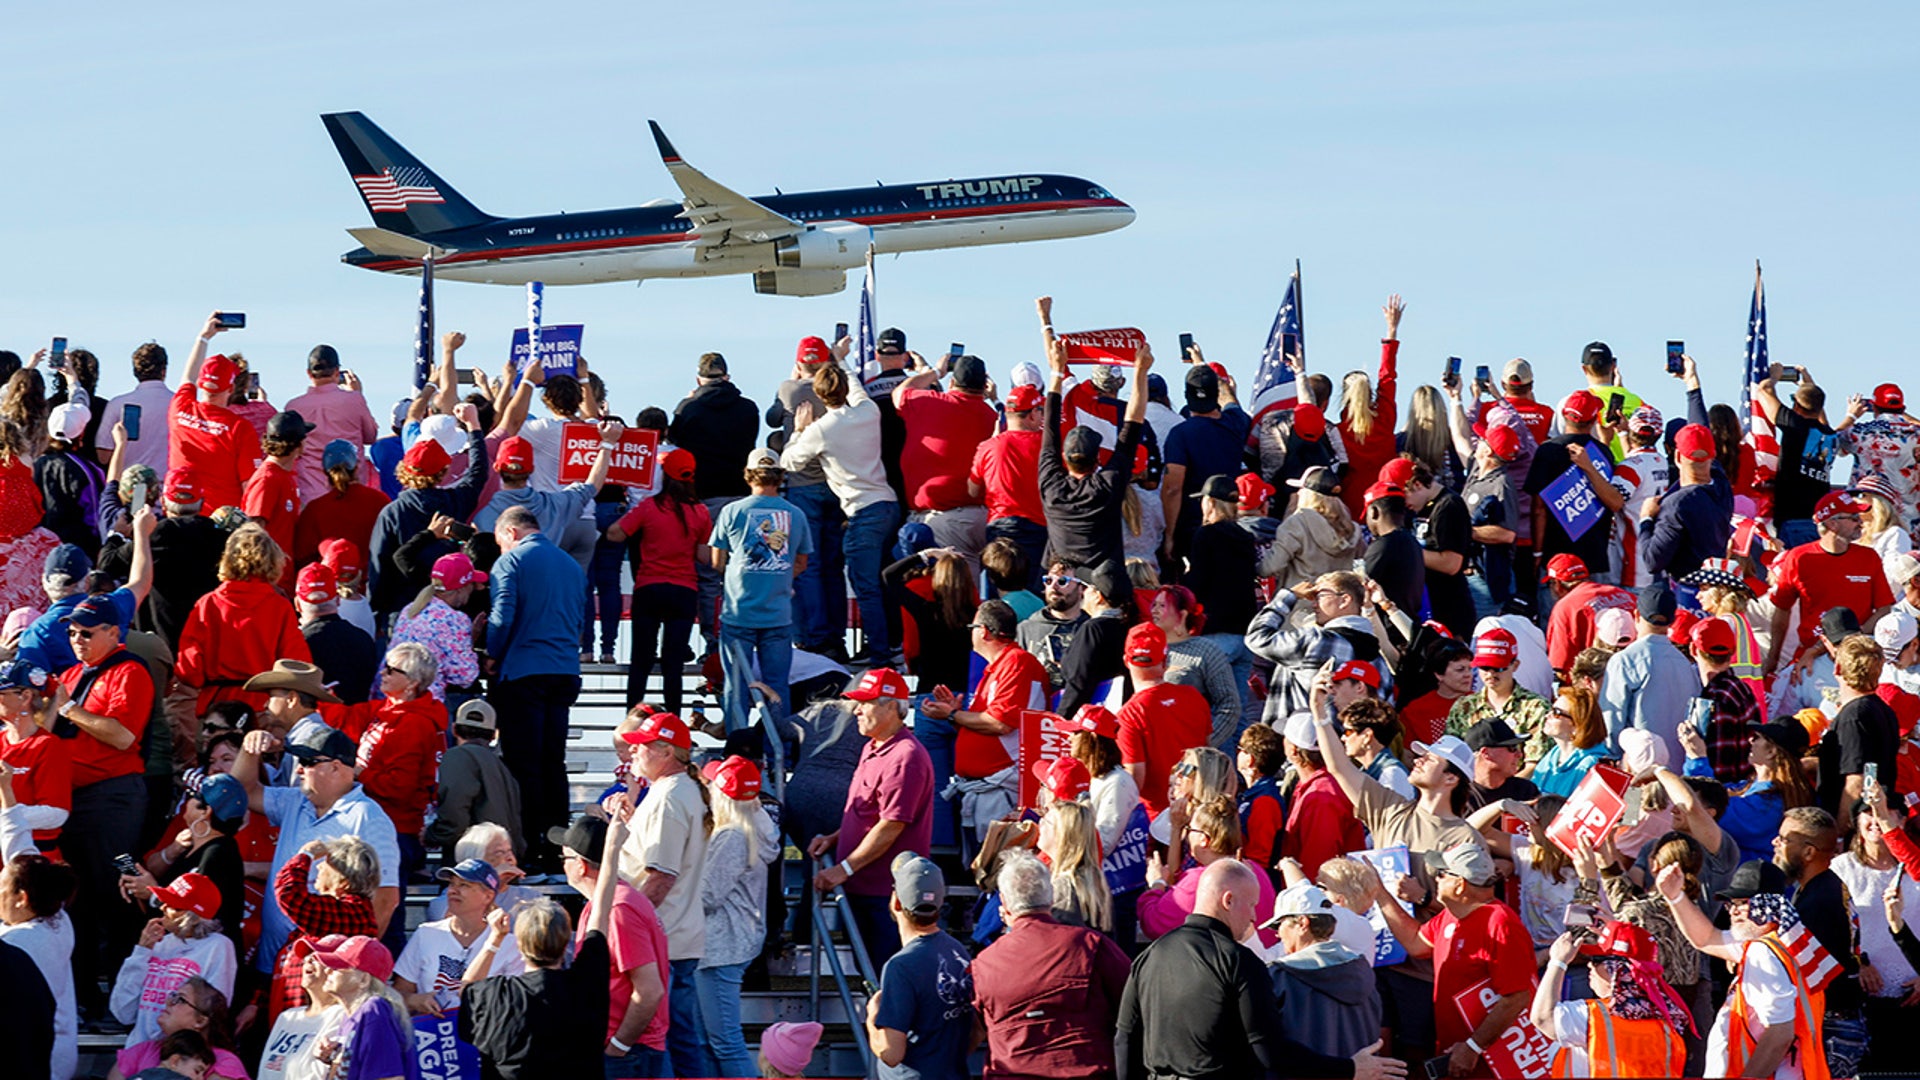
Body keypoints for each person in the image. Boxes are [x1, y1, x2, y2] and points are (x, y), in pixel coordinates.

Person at [1117, 858, 1403, 1080]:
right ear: (1228, 900)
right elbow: (1270, 1051)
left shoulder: (1148, 957)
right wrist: (1349, 1068)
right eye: (1252, 905)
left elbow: (1125, 1038)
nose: (1255, 915)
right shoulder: (1239, 961)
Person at [46, 591, 159, 1023]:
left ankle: (125, 996)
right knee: (78, 900)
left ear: (114, 632)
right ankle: (88, 998)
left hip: (113, 797)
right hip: (73, 798)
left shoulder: (129, 671)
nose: (77, 639)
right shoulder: (74, 673)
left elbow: (122, 736)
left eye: (87, 632)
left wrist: (69, 709)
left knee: (117, 892)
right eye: (72, 632)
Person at [460, 812, 629, 1080]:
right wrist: (612, 849)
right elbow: (600, 912)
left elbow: (466, 989)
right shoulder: (584, 985)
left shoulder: (497, 995)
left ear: (521, 943)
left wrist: (494, 940)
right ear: (565, 944)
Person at [233, 725, 401, 992]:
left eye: (308, 762)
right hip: (275, 963)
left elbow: (386, 898)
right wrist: (248, 750)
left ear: (336, 767)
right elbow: (241, 792)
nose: (299, 769)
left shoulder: (368, 817)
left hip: (325, 973)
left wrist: (354, 967)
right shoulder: (295, 801)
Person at [807, 667, 936, 968]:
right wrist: (835, 838)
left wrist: (844, 869)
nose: (856, 711)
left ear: (892, 706)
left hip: (884, 894)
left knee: (885, 977)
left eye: (865, 703)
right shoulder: (874, 747)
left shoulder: (905, 756)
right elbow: (870, 814)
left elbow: (892, 824)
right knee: (873, 976)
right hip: (865, 887)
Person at [1656, 858, 1831, 1079]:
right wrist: (1676, 897)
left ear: (1768, 905)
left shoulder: (1763, 952)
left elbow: (1780, 1033)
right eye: (1732, 903)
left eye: (1743, 902)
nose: (1734, 911)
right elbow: (1707, 938)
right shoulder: (1786, 943)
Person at [779, 349, 900, 668]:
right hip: (888, 504)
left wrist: (799, 429)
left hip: (862, 512)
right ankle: (889, 644)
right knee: (880, 579)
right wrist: (841, 358)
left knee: (866, 586)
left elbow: (788, 461)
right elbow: (857, 386)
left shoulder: (821, 429)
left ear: (818, 394)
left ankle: (881, 654)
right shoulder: (867, 410)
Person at [1373, 843, 1533, 1079]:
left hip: (1488, 1062)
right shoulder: (1453, 913)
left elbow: (1517, 996)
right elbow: (1416, 944)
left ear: (1460, 885)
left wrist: (1473, 1046)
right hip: (1456, 1053)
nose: (1434, 879)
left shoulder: (1501, 925)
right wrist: (1380, 893)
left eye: (1441, 874)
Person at [611, 709, 712, 1079]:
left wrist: (627, 926)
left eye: (641, 746)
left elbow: (659, 879)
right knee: (680, 1038)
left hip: (661, 941)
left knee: (660, 1042)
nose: (633, 752)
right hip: (675, 936)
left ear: (666, 751)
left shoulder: (669, 798)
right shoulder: (676, 791)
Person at [969, 848, 1131, 1078]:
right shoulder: (1091, 946)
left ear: (1004, 902)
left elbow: (973, 1031)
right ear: (1051, 895)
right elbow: (1135, 1002)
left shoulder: (985, 963)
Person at [486, 504, 587, 864]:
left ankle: (528, 846)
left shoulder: (511, 562)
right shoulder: (571, 566)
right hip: (563, 669)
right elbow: (581, 620)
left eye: (500, 543)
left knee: (523, 764)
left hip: (524, 670)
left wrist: (491, 653)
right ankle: (559, 842)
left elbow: (502, 615)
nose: (500, 550)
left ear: (510, 533)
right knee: (553, 762)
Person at [1035, 300, 1150, 581]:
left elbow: (1049, 426)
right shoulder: (1107, 485)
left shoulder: (1051, 486)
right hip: (1104, 587)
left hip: (1061, 584)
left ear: (1063, 457)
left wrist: (1055, 368)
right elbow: (1134, 419)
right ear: (1099, 457)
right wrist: (1141, 371)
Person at [920, 599, 1048, 844]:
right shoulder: (999, 667)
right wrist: (955, 713)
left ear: (984, 631)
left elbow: (1000, 723)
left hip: (1001, 789)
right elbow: (990, 725)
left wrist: (950, 715)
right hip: (986, 789)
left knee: (998, 869)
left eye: (973, 627)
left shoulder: (1016, 662)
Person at [710, 447, 810, 733]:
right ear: (780, 477)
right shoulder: (796, 515)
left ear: (748, 475)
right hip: (778, 614)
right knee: (778, 687)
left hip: (738, 613)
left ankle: (737, 751)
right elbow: (802, 562)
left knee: (736, 687)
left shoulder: (731, 511)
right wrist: (776, 576)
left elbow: (717, 561)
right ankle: (777, 750)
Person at [689, 755, 776, 1078]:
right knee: (705, 1041)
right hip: (724, 944)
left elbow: (707, 896)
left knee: (723, 1042)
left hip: (721, 947)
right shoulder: (753, 827)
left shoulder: (732, 836)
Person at [606, 447, 712, 713]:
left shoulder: (649, 507)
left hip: (649, 587)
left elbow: (614, 534)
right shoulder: (700, 512)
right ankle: (673, 721)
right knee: (673, 664)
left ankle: (632, 717)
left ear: (664, 474)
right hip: (684, 590)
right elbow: (704, 556)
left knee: (640, 660)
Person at [670, 352, 760, 661]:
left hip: (703, 500)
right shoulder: (748, 408)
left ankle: (712, 641)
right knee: (745, 571)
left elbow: (676, 446)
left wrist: (688, 405)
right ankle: (743, 637)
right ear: (727, 376)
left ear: (698, 379)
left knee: (708, 575)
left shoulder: (688, 409)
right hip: (740, 497)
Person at [175, 522, 311, 718]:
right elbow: (296, 665)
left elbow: (189, 669)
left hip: (215, 707)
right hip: (262, 707)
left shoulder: (208, 604)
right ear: (274, 561)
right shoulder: (279, 607)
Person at [366, 405, 489, 620]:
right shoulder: (456, 501)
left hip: (404, 611)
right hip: (450, 609)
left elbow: (379, 566)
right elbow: (478, 472)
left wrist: (378, 612)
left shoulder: (392, 513)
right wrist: (474, 427)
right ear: (443, 473)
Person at [1529, 923, 1692, 1079]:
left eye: (1596, 961)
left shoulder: (1593, 1017)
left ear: (1618, 969)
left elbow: (1543, 1017)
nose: (1590, 967)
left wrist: (1558, 962)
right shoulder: (1669, 1017)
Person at [865, 853, 975, 1080]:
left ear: (896, 902)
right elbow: (977, 1030)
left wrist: (871, 1017)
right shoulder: (958, 951)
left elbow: (891, 1053)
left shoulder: (901, 966)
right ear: (940, 902)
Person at [1765, 490, 1893, 678]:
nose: (1861, 522)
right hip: (1812, 661)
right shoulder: (1799, 558)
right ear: (1832, 523)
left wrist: (1850, 641)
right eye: (1854, 517)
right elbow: (1782, 609)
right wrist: (1772, 658)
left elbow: (1884, 608)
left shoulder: (1869, 557)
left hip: (1857, 659)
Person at [1833, 796, 1920, 1073]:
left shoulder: (1915, 868)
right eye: (1868, 813)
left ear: (1903, 822)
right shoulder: (1841, 868)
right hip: (1863, 992)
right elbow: (1834, 927)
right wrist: (1860, 964)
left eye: (1887, 813)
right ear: (1856, 822)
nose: (1877, 820)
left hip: (1913, 990)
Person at [119, 773, 249, 953]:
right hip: (181, 957)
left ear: (206, 811)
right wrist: (139, 887)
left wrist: (153, 895)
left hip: (204, 964)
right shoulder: (190, 849)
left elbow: (198, 917)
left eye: (192, 796)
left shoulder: (219, 854)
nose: (186, 802)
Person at [1245, 571, 1386, 725]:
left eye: (1320, 596)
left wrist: (1289, 596)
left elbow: (1257, 637)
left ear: (1344, 600)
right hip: (1353, 743)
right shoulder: (1379, 659)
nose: (1313, 604)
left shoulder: (1316, 640)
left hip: (1299, 741)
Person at [894, 351, 997, 560]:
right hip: (982, 516)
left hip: (945, 521)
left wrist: (935, 372)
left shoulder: (927, 403)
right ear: (984, 385)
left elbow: (900, 393)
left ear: (952, 382)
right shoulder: (992, 416)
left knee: (952, 590)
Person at [1268, 881, 1385, 1062]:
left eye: (1279, 925)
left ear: (1302, 923)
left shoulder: (1279, 976)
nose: (1277, 933)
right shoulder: (1363, 969)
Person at [393, 858, 523, 1016]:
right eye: (451, 884)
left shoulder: (509, 944)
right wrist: (416, 1000)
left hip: (484, 1036)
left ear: (488, 896)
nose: (452, 890)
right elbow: (397, 994)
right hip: (432, 1034)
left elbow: (516, 1004)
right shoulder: (426, 934)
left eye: (464, 885)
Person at [1524, 389, 1628, 582]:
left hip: (1555, 561)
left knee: (1556, 613)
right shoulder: (1602, 451)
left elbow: (1539, 509)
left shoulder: (1547, 451)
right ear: (1594, 419)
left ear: (1564, 415)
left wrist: (1537, 553)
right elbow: (1613, 500)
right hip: (1594, 558)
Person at [1160, 367, 1251, 572]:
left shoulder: (1180, 434)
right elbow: (1231, 403)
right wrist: (1218, 380)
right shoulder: (1236, 423)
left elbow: (1172, 489)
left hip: (1194, 526)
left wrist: (1169, 536)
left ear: (1186, 396)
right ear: (1216, 394)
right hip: (1232, 522)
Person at [1601, 582, 1703, 765]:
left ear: (1636, 615)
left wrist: (1611, 757)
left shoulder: (1625, 660)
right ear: (1672, 621)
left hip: (1640, 769)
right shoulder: (1686, 665)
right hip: (1680, 771)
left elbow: (1611, 721)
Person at [167, 315, 259, 516]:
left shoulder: (180, 408)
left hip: (180, 518)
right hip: (221, 526)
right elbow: (249, 486)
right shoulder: (239, 428)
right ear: (231, 387)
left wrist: (204, 337)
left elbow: (187, 377)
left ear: (201, 383)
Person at [0, 853, 79, 1080]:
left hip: (35, 1060)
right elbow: (21, 853)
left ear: (21, 897)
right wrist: (9, 815)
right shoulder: (59, 919)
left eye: (1, 885)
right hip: (57, 1054)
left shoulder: (18, 944)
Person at [1333, 294, 1405, 522]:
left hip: (1350, 510)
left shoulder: (1337, 432)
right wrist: (1391, 331)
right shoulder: (1384, 419)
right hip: (1384, 508)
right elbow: (1388, 378)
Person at [970, 382, 1049, 587]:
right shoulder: (1047, 446)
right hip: (1037, 528)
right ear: (1033, 414)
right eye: (1041, 411)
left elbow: (972, 490)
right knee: (1034, 593)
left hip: (1000, 527)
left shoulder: (988, 447)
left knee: (1000, 593)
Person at [427, 700, 525, 862]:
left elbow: (454, 813)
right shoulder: (503, 768)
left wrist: (433, 835)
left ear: (454, 729)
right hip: (503, 861)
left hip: (471, 863)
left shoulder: (457, 757)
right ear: (494, 734)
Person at [281, 346, 380, 505]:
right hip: (351, 491)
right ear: (336, 371)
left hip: (312, 494)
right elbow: (370, 436)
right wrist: (358, 394)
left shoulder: (293, 407)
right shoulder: (354, 400)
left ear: (309, 373)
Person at [306, 936, 413, 1080]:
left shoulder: (374, 1010)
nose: (327, 972)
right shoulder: (352, 1014)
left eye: (337, 967)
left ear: (364, 980)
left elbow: (389, 1077)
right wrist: (334, 1058)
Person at [1756, 363, 1839, 547]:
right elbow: (1820, 415)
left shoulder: (1796, 425)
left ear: (1796, 405)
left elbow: (1764, 390)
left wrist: (1775, 375)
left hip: (1793, 519)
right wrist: (1809, 382)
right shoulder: (1831, 435)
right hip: (1821, 521)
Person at [1818, 634, 1900, 816]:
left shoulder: (1853, 717)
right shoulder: (1882, 710)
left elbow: (1856, 781)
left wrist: (1839, 833)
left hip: (1853, 823)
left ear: (1837, 669)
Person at [107, 976, 248, 1080]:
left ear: (200, 1021)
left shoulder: (224, 1062)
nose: (168, 1002)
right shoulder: (143, 1050)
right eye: (172, 996)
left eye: (180, 999)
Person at [1445, 627, 1550, 759]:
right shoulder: (1463, 707)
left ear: (1515, 665)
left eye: (1498, 667)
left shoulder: (1536, 707)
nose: (1490, 674)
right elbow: (1451, 756)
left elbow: (1535, 764)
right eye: (1485, 667)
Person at [291, 438, 388, 575]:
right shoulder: (379, 501)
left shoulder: (315, 509)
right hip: (375, 584)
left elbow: (303, 557)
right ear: (357, 466)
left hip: (329, 586)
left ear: (325, 471)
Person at [256, 940, 343, 1080]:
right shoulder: (287, 1016)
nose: (308, 960)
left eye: (319, 957)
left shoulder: (343, 1015)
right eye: (308, 955)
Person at [1268, 465, 1363, 593]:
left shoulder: (1296, 524)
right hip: (1343, 603)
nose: (1298, 493)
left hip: (1303, 602)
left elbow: (1271, 567)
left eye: (1301, 489)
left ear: (1307, 494)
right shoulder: (1352, 529)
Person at [1542, 553, 1635, 678]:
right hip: (1638, 672)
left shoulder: (1565, 607)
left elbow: (1561, 664)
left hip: (1599, 681)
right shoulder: (1625, 595)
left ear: (1557, 584)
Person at [95, 342, 173, 474]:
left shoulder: (117, 404)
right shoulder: (181, 404)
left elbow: (103, 456)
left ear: (135, 371)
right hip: (168, 486)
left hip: (128, 486)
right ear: (164, 371)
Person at [1362, 480, 1426, 617]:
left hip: (1389, 630)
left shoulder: (1384, 545)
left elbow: (1358, 586)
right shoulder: (1411, 541)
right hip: (1407, 623)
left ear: (1374, 512)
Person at [1529, 686, 1606, 798]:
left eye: (1556, 713)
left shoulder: (1592, 767)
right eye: (1551, 709)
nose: (1547, 716)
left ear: (1577, 725)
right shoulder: (1551, 757)